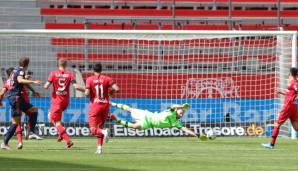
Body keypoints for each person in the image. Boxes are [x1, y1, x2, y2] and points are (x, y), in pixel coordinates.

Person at [1, 57, 41, 150]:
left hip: (13, 98)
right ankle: (30, 132)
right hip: (17, 98)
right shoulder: (21, 70)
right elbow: (20, 80)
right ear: (27, 64)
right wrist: (33, 81)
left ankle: (5, 142)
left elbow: (4, 90)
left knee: (32, 111)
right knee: (17, 121)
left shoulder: (13, 72)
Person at [44, 59, 84, 148]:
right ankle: (61, 133)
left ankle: (68, 140)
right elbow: (76, 87)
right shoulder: (70, 74)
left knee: (53, 119)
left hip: (56, 101)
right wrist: (86, 89)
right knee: (55, 118)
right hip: (65, 101)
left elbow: (46, 86)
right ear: (66, 65)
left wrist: (46, 85)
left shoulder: (53, 73)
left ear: (58, 64)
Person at [85, 63, 119, 154]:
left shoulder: (89, 79)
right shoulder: (107, 79)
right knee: (100, 127)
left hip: (95, 106)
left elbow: (87, 93)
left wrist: (87, 91)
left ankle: (104, 132)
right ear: (101, 70)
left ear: (93, 70)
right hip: (105, 106)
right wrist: (110, 92)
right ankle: (99, 148)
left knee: (93, 130)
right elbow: (117, 88)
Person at [110, 102, 200, 137]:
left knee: (135, 126)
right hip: (148, 115)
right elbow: (173, 106)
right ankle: (113, 104)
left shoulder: (176, 122)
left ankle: (116, 119)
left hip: (149, 124)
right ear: (177, 111)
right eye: (180, 113)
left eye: (182, 114)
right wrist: (182, 106)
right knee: (130, 109)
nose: (181, 115)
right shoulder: (172, 111)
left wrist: (196, 135)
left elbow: (185, 129)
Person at [262, 67, 298, 149]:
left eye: (289, 73)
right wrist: (281, 93)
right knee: (296, 128)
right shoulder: (293, 82)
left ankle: (271, 144)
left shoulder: (294, 82)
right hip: (293, 107)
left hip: (288, 106)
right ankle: (271, 144)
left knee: (277, 123)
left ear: (291, 73)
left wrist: (295, 98)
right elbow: (290, 94)